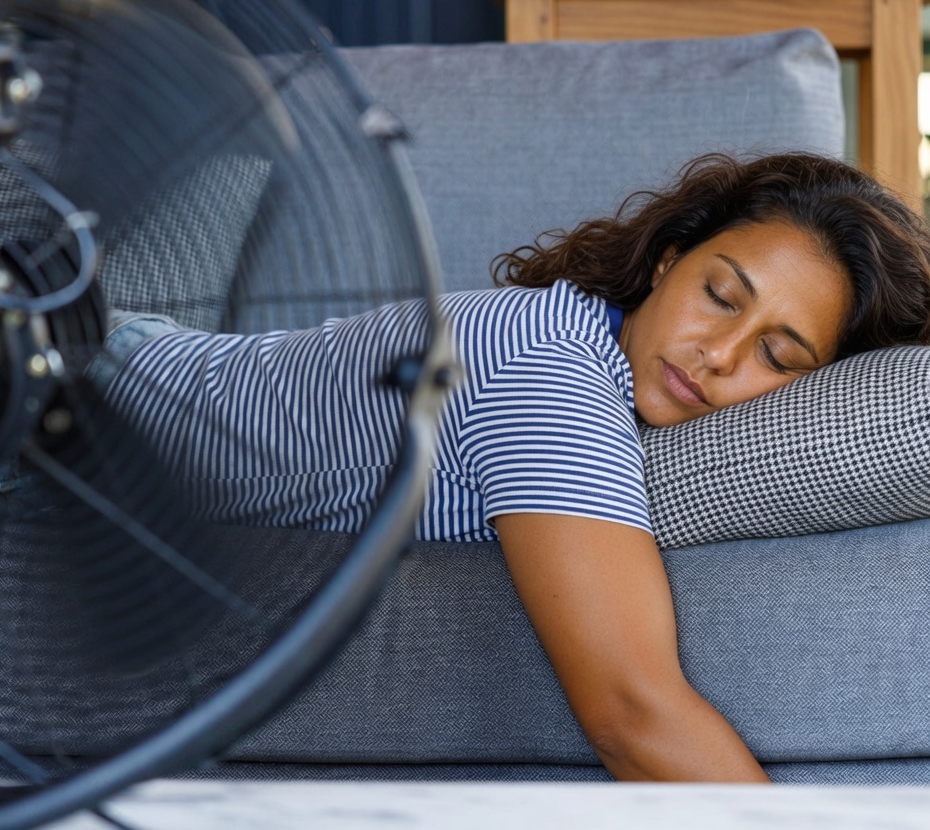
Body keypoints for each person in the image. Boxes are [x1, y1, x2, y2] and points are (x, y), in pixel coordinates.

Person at [102, 151, 930, 782]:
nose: (718, 354)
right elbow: (632, 714)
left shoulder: (590, 361)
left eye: (777, 356)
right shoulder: (545, 367)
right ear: (670, 260)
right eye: (719, 296)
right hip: (90, 396)